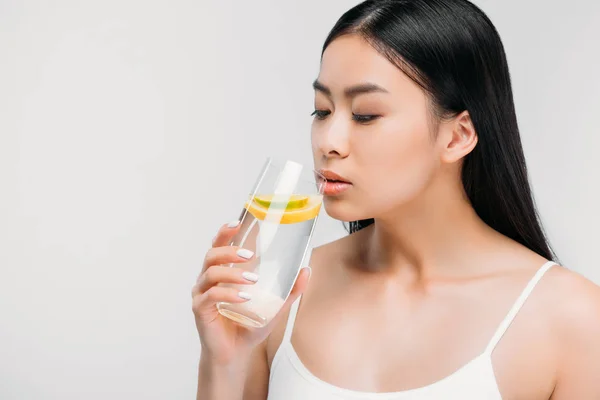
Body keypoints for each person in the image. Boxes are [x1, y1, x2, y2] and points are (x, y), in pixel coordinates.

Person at [192, 0, 600, 399]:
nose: (328, 142)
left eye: (366, 115)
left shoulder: (571, 319)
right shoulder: (280, 291)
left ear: (457, 136)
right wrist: (224, 363)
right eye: (322, 110)